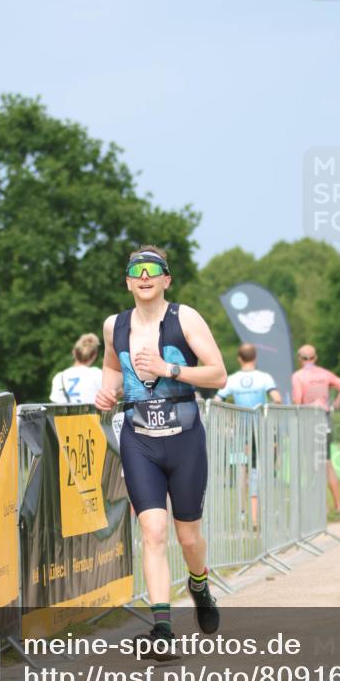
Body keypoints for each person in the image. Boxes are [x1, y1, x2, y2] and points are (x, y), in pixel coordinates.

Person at [94, 245, 227, 657]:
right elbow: (114, 368)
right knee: (152, 532)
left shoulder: (184, 318)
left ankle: (200, 584)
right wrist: (106, 392)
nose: (145, 276)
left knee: (188, 538)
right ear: (128, 280)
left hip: (184, 436)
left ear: (166, 278)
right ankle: (163, 630)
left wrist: (170, 369)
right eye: (136, 270)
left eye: (153, 270)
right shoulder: (113, 325)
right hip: (139, 438)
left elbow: (218, 374)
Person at [215, 343, 282, 529]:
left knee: (240, 470)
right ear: (255, 357)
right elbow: (277, 398)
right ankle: (256, 515)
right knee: (258, 470)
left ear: (239, 358)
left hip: (239, 431)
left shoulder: (232, 379)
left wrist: (228, 420)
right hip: (259, 429)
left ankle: (242, 512)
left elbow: (217, 401)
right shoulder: (264, 377)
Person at [292, 343, 340, 515]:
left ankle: (323, 506)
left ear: (299, 359)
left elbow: (297, 400)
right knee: (326, 463)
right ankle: (338, 506)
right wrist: (334, 406)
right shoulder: (325, 374)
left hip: (308, 420)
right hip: (324, 419)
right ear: (315, 358)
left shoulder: (298, 376)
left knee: (312, 465)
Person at [50, 333, 102, 405]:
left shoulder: (59, 377)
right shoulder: (98, 374)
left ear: (74, 352)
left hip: (66, 416)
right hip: (92, 416)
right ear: (94, 355)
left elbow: (55, 406)